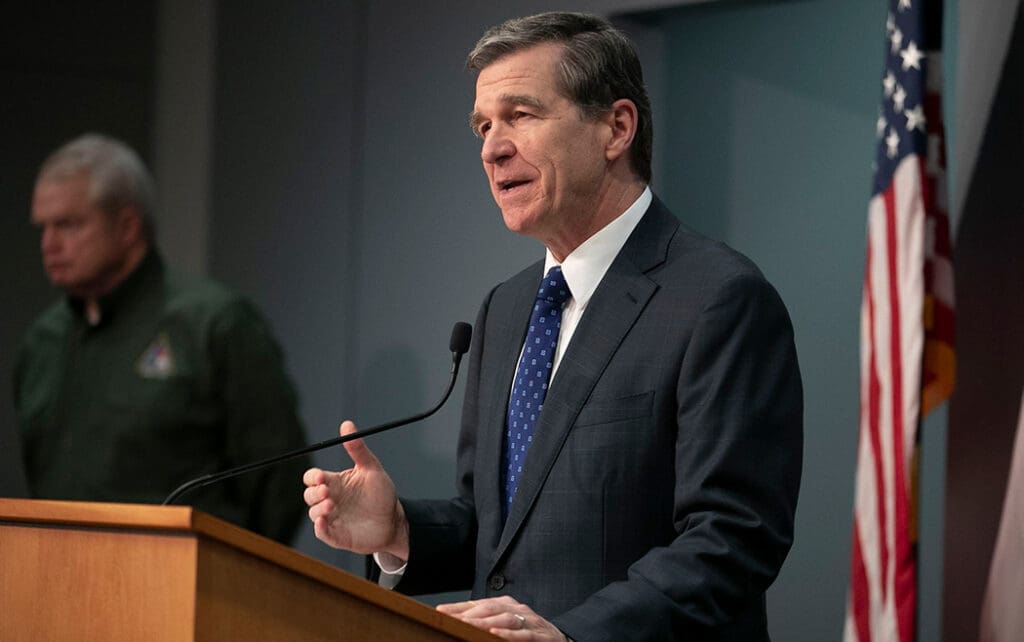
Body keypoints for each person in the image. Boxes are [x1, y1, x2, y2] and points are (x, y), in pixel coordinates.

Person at [304, 12, 802, 640]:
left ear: (616, 128)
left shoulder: (718, 299)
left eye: (521, 115)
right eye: (483, 126)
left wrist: (573, 635)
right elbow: (502, 531)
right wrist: (399, 529)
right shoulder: (506, 310)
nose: (491, 147)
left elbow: (733, 537)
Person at [15, 133, 310, 544]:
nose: (49, 245)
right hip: (64, 587)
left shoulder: (214, 323)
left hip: (190, 592)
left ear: (127, 226)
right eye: (42, 227)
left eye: (68, 224)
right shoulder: (42, 342)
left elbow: (277, 483)